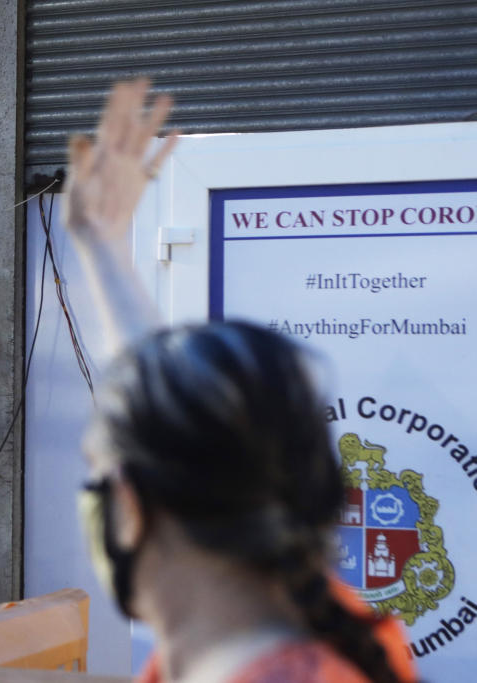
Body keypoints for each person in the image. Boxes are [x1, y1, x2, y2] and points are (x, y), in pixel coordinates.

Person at [63, 79, 416, 682]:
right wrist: (102, 247)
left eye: (95, 471)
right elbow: (179, 409)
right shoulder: (323, 622)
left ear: (130, 506)